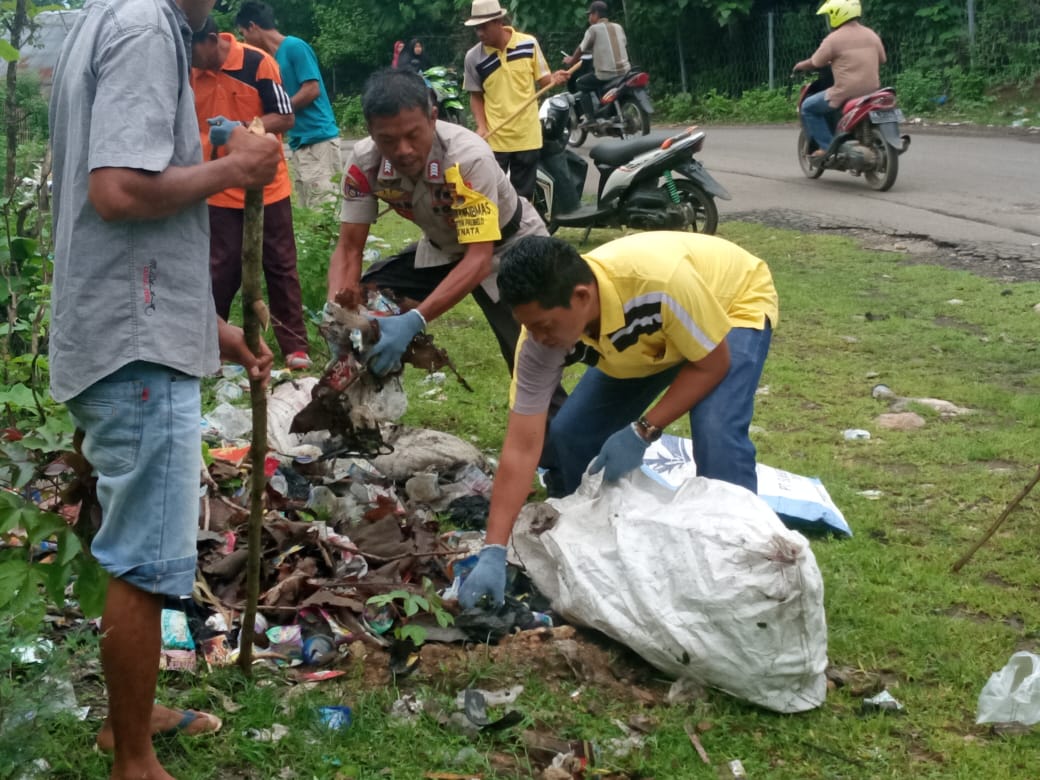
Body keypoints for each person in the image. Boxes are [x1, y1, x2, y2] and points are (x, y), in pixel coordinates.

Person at [48, 0, 280, 775]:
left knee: (135, 545)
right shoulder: (146, 27)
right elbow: (117, 191)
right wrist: (235, 169)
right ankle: (134, 757)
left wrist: (212, 330)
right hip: (135, 347)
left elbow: (120, 217)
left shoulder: (101, 18)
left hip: (127, 323)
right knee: (145, 557)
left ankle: (134, 717)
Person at [457, 231, 778, 609]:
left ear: (581, 297)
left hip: (729, 305)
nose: (540, 337)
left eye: (545, 326)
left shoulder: (660, 284)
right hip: (650, 340)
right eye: (531, 327)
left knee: (717, 431)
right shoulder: (539, 340)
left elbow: (711, 364)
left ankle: (744, 565)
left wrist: (643, 431)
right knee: (572, 434)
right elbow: (522, 444)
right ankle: (600, 537)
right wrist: (494, 548)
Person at [327, 68, 565, 414]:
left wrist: (415, 320)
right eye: (388, 140)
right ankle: (360, 411)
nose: (403, 150)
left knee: (531, 365)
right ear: (370, 132)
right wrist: (339, 313)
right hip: (444, 249)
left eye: (413, 135)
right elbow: (349, 247)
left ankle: (560, 458)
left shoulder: (467, 158)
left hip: (509, 248)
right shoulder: (365, 163)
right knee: (365, 298)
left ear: (433, 117)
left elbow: (480, 258)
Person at [191, 17, 313, 371]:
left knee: (280, 262)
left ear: (212, 40)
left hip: (266, 184)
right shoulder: (188, 74)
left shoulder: (257, 62)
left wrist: (243, 129)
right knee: (219, 268)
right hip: (216, 186)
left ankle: (295, 346)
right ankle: (212, 346)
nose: (190, 60)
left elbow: (285, 117)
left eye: (193, 51)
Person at [235, 1, 343, 208]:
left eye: (243, 33)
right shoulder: (270, 60)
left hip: (318, 141)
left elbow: (312, 89)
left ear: (252, 26)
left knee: (324, 210)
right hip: (300, 143)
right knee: (309, 211)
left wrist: (282, 111)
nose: (243, 40)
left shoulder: (294, 46)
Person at [462, 0, 566, 201]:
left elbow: (545, 80)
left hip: (527, 136)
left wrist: (556, 79)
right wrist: (481, 126)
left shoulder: (528, 44)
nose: (480, 33)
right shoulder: (473, 57)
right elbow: (475, 96)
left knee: (523, 197)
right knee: (492, 194)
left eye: (484, 27)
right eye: (477, 29)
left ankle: (520, 232)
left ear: (498, 21)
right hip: (495, 139)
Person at [793, 0, 886, 158]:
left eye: (830, 15)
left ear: (837, 14)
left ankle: (827, 147)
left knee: (808, 107)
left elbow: (816, 62)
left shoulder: (833, 39)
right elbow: (882, 59)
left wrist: (799, 66)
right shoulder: (871, 34)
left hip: (845, 92)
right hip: (872, 91)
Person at [564, 1, 631, 126]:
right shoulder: (618, 27)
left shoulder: (593, 29)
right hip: (625, 71)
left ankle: (590, 118)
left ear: (596, 14)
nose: (589, 18)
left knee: (581, 82)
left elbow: (581, 48)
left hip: (605, 74)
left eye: (590, 14)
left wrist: (572, 60)